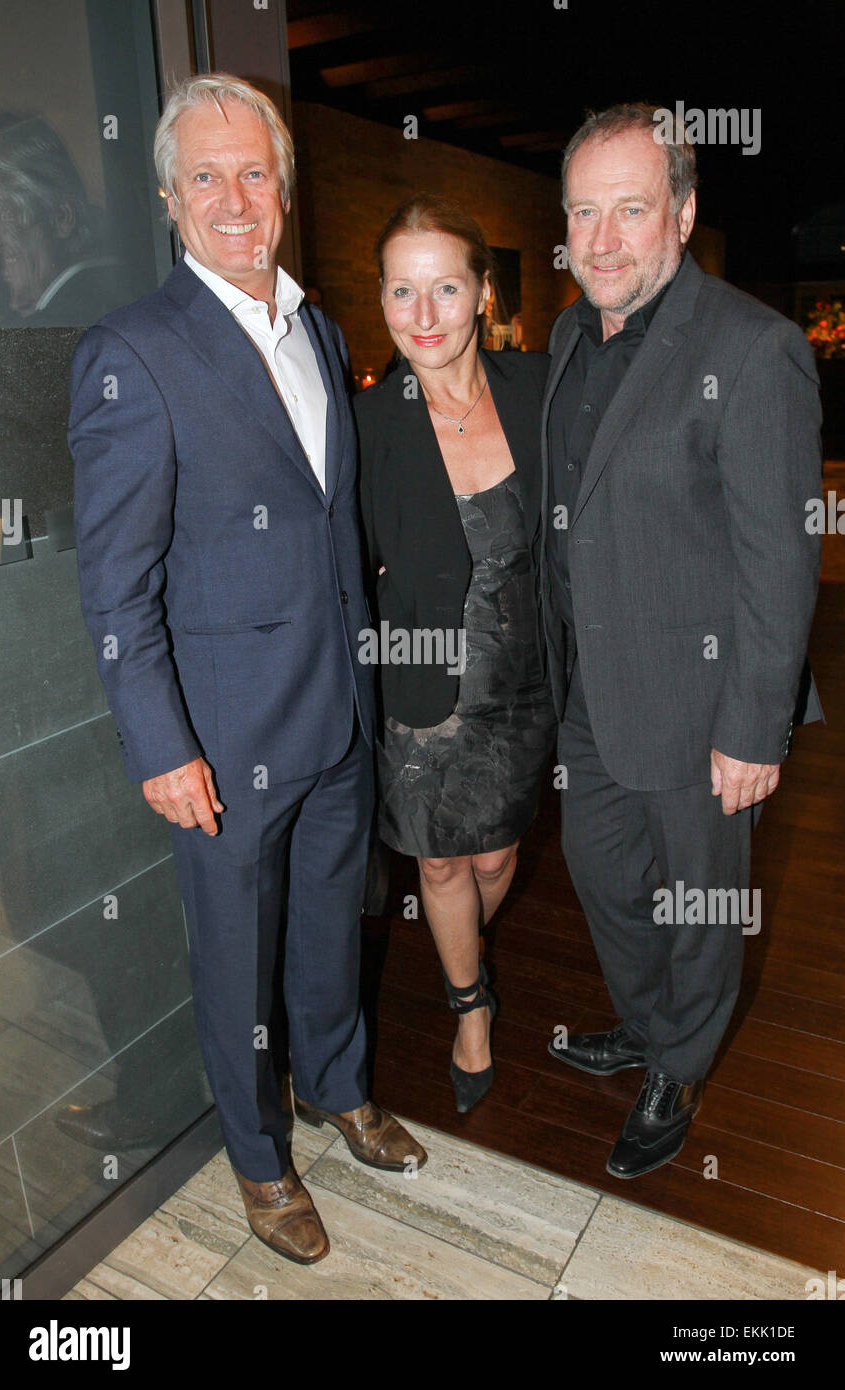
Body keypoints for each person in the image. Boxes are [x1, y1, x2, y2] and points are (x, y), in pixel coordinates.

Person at [68, 73, 425, 1266]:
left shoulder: (317, 327)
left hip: (333, 710)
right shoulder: (133, 350)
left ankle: (336, 1085)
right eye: (205, 176)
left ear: (284, 188)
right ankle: (259, 1158)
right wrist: (160, 743)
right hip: (219, 735)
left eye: (254, 171)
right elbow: (115, 582)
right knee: (234, 953)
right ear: (170, 198)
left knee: (332, 919)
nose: (235, 197)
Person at [541, 103, 822, 1178]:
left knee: (698, 900)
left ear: (683, 213)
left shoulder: (754, 350)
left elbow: (778, 559)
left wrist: (754, 727)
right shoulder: (569, 335)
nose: (600, 240)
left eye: (629, 210)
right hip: (590, 692)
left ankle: (681, 1061)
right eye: (581, 212)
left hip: (703, 704)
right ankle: (650, 1022)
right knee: (603, 874)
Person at [356, 196, 557, 1114]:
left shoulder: (539, 390)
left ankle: (469, 944)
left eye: (445, 288)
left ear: (482, 293)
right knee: (439, 866)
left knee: (492, 862)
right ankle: (470, 1005)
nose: (424, 316)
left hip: (524, 684)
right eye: (404, 291)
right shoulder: (367, 426)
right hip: (424, 685)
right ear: (384, 299)